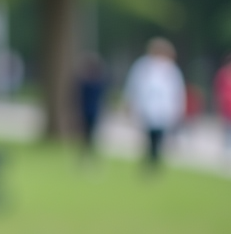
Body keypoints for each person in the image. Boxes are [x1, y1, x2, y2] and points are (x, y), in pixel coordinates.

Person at [123, 38, 186, 171]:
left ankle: (154, 161)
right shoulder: (143, 66)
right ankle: (150, 161)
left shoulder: (171, 70)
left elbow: (177, 92)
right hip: (146, 108)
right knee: (149, 137)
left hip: (164, 110)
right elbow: (134, 86)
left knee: (159, 137)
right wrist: (130, 104)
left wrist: (178, 110)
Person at [74, 53, 108, 157]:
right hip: (87, 111)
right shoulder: (86, 82)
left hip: (92, 110)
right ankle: (86, 153)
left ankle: (88, 153)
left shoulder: (95, 82)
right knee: (86, 134)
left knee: (90, 134)